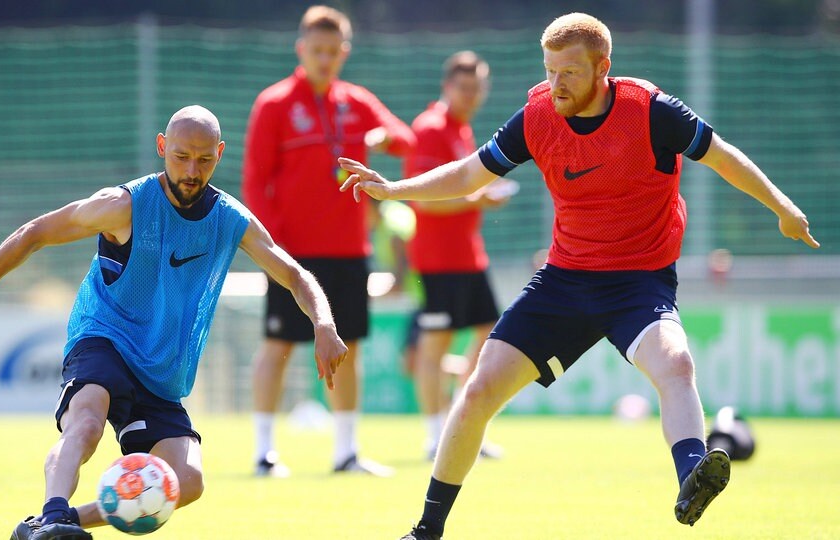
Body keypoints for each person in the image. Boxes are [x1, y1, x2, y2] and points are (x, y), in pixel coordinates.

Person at [339, 13, 819, 539]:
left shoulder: (651, 111)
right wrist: (394, 188)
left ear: (602, 68)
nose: (556, 83)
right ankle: (427, 529)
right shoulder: (537, 116)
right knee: (477, 393)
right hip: (565, 281)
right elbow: (470, 172)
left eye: (569, 72)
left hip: (640, 282)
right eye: (549, 70)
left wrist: (782, 206)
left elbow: (722, 157)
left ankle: (691, 477)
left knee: (676, 363)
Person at [0, 105, 348, 540]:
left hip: (160, 369)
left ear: (220, 154)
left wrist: (324, 324)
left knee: (187, 482)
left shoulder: (230, 219)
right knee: (87, 422)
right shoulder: (123, 205)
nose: (191, 170)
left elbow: (295, 276)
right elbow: (34, 232)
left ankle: (58, 525)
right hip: (104, 336)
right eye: (181, 156)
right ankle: (53, 512)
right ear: (162, 147)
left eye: (204, 159)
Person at [241, 4, 415, 477]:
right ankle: (263, 453)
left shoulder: (357, 102)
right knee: (278, 346)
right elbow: (256, 180)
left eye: (332, 51)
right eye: (315, 50)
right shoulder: (274, 103)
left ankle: (346, 452)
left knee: (348, 347)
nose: (324, 58)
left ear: (344, 52)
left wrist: (383, 137)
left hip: (349, 250)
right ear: (301, 50)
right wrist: (268, 245)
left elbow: (405, 137)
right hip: (292, 255)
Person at [403, 50, 515, 461]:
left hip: (469, 257)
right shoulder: (430, 128)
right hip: (437, 260)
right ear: (447, 87)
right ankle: (436, 436)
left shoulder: (462, 131)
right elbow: (425, 201)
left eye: (477, 88)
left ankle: (464, 424)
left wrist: (477, 200)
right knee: (435, 345)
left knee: (491, 338)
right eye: (464, 87)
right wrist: (478, 198)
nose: (471, 95)